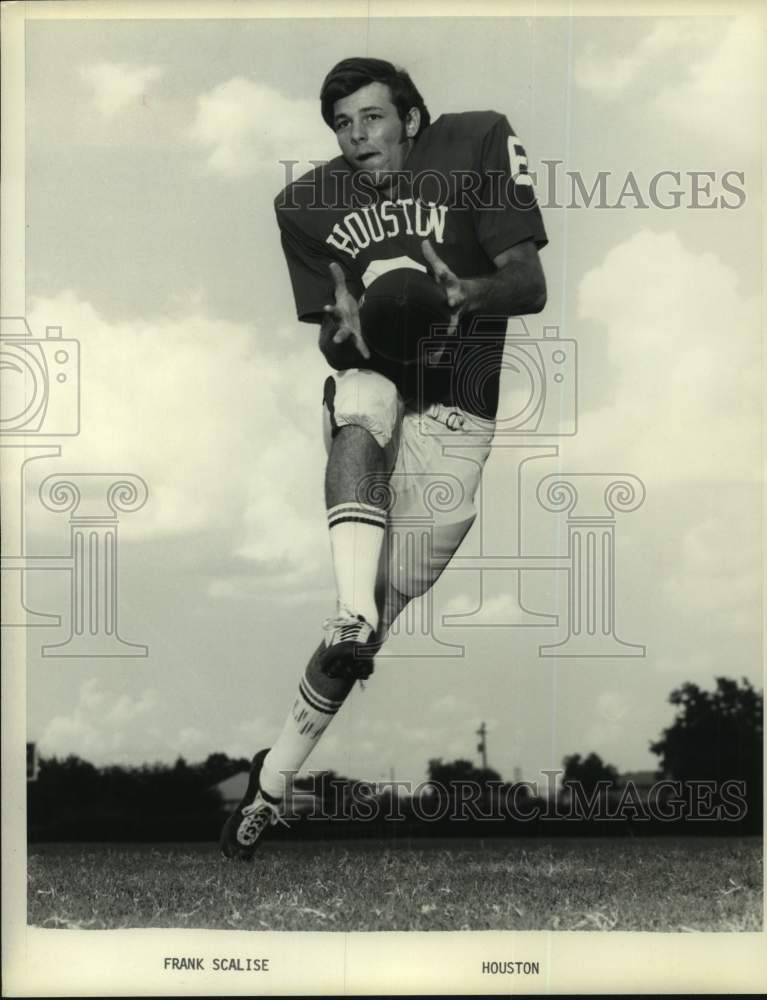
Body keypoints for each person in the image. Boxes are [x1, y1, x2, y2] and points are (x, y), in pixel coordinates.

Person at [220, 57, 547, 859]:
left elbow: (530, 282)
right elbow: (331, 333)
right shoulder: (307, 205)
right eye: (341, 124)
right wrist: (349, 328)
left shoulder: (475, 145)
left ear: (410, 117)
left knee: (364, 638)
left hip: (459, 409)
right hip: (386, 381)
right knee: (358, 399)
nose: (357, 137)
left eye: (371, 117)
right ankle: (349, 607)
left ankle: (270, 785)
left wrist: (462, 295)